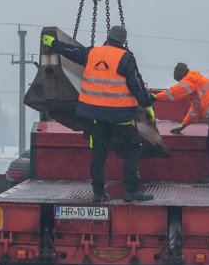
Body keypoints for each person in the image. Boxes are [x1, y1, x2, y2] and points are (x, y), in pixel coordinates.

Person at [40, 26, 156, 202]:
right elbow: (136, 84)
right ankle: (131, 191)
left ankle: (98, 193)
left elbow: (70, 52)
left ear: (108, 38)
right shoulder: (126, 57)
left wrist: (53, 43)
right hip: (120, 114)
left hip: (95, 114)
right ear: (124, 41)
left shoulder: (92, 53)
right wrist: (147, 105)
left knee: (99, 151)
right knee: (133, 148)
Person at [155, 62, 209, 183]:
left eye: (179, 81)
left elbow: (174, 92)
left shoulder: (190, 79)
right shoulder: (197, 84)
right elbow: (194, 111)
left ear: (182, 76)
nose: (180, 83)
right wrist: (183, 125)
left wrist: (155, 97)